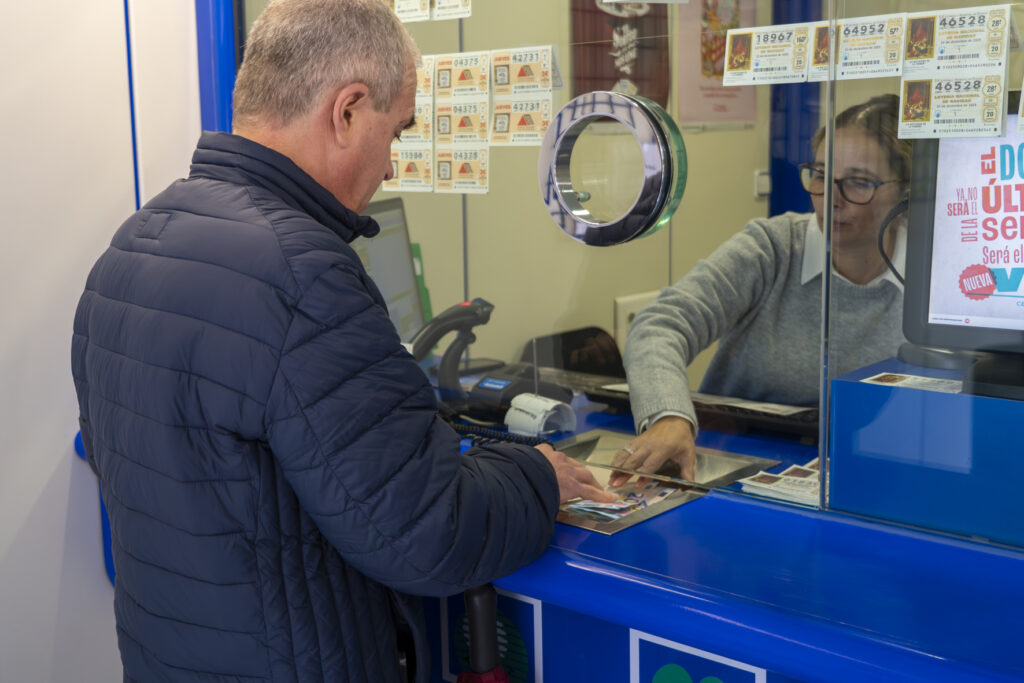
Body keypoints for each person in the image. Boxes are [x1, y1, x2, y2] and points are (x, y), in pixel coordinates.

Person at [71, 1, 613, 681]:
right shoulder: (300, 273)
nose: (391, 166)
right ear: (348, 110)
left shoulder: (132, 245)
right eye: (397, 132)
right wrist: (538, 475)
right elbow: (429, 531)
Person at [611, 94, 910, 487]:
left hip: (872, 475)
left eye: (858, 182)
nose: (831, 200)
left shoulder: (935, 278)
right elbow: (660, 325)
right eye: (820, 174)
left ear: (906, 191)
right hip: (735, 464)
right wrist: (670, 416)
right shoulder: (773, 247)